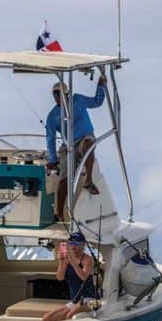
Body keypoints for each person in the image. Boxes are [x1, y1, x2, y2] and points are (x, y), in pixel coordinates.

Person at [45, 77, 107, 220]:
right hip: (68, 146)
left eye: (58, 93)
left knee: (89, 144)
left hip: (84, 138)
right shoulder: (52, 116)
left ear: (66, 93)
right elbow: (50, 138)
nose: (56, 97)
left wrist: (101, 86)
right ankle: (59, 213)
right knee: (64, 179)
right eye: (54, 94)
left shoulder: (78, 100)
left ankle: (89, 180)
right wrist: (53, 160)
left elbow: (96, 102)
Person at [42, 231, 98, 321]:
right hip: (76, 301)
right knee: (47, 318)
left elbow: (83, 277)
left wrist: (73, 262)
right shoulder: (67, 259)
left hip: (94, 301)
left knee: (70, 315)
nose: (73, 246)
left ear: (83, 245)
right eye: (71, 243)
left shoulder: (87, 260)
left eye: (76, 244)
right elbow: (60, 277)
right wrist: (61, 261)